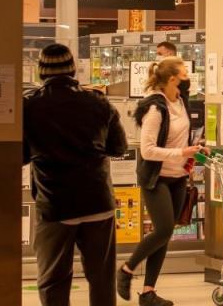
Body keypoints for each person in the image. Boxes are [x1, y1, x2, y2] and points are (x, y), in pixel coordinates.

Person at [23, 43, 128, 306]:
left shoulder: (30, 107)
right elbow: (118, 147)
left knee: (54, 280)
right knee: (101, 278)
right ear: (73, 70)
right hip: (98, 202)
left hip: (55, 204)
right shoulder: (98, 102)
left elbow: (21, 155)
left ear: (41, 73)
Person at [119, 58, 204, 305]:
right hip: (156, 179)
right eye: (185, 72)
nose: (189, 76)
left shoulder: (180, 101)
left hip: (178, 177)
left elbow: (179, 141)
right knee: (164, 229)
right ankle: (126, 269)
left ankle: (148, 292)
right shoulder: (156, 109)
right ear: (172, 79)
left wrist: (196, 149)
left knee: (165, 234)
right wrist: (182, 153)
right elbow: (147, 151)